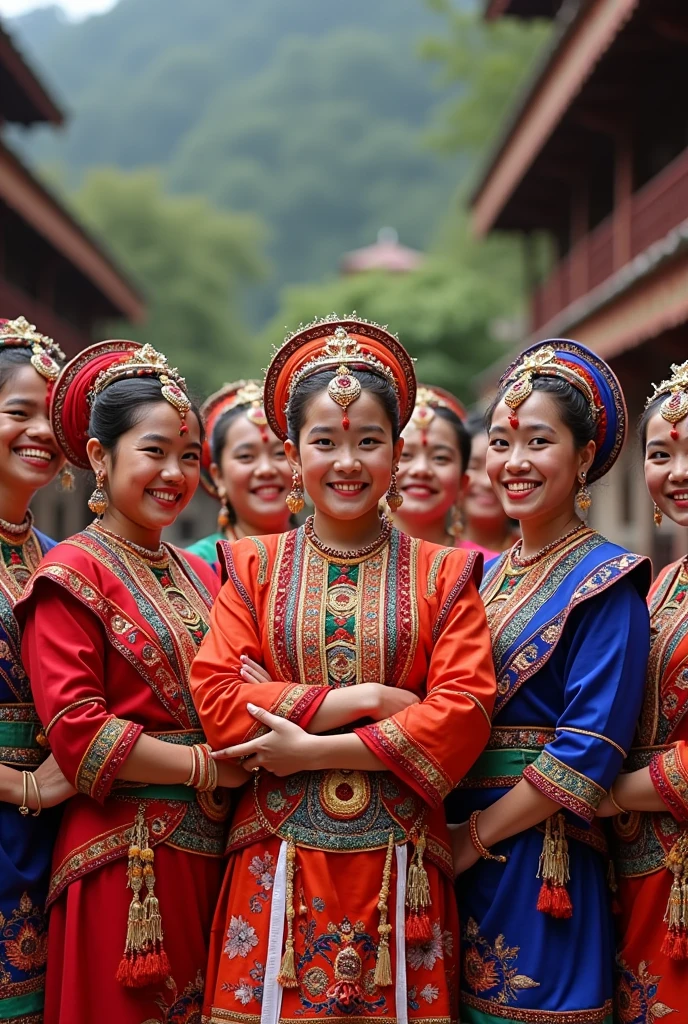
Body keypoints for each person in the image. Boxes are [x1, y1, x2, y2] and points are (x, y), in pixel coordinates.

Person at [189, 315, 498, 1024]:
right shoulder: (251, 568)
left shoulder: (445, 575)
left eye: (368, 441)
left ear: (395, 451)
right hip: (276, 860)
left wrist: (309, 750)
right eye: (325, 442)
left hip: (402, 866)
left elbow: (463, 710)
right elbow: (219, 701)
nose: (348, 462)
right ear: (293, 456)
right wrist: (375, 696)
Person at [16, 341, 247, 1024]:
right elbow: (81, 735)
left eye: (187, 456)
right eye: (154, 451)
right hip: (126, 860)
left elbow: (238, 680)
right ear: (97, 456)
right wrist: (205, 765)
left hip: (211, 854)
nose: (174, 473)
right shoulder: (70, 577)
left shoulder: (200, 573)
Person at [446, 340, 651, 1024]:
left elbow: (587, 752)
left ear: (585, 455)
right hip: (461, 857)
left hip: (544, 861)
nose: (515, 462)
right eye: (501, 441)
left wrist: (472, 840)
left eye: (539, 441)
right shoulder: (484, 576)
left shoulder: (607, 582)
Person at [600, 361, 688, 1020]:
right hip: (642, 872)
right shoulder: (659, 585)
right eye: (661, 453)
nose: (677, 472)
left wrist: (602, 793)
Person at [0, 316, 74, 1024]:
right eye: (19, 412)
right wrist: (20, 781)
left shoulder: (58, 558)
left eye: (53, 417)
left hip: (50, 832)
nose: (40, 433)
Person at [188, 380, 293, 564]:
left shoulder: (334, 553)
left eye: (279, 453)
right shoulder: (195, 566)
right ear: (218, 476)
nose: (266, 470)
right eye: (246, 456)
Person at [393, 384, 479, 550]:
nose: (421, 469)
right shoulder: (346, 560)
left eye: (440, 458)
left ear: (463, 482)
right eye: (405, 455)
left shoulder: (489, 569)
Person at [463, 418, 517, 556]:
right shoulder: (434, 548)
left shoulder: (538, 550)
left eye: (502, 469)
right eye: (473, 467)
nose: (486, 482)